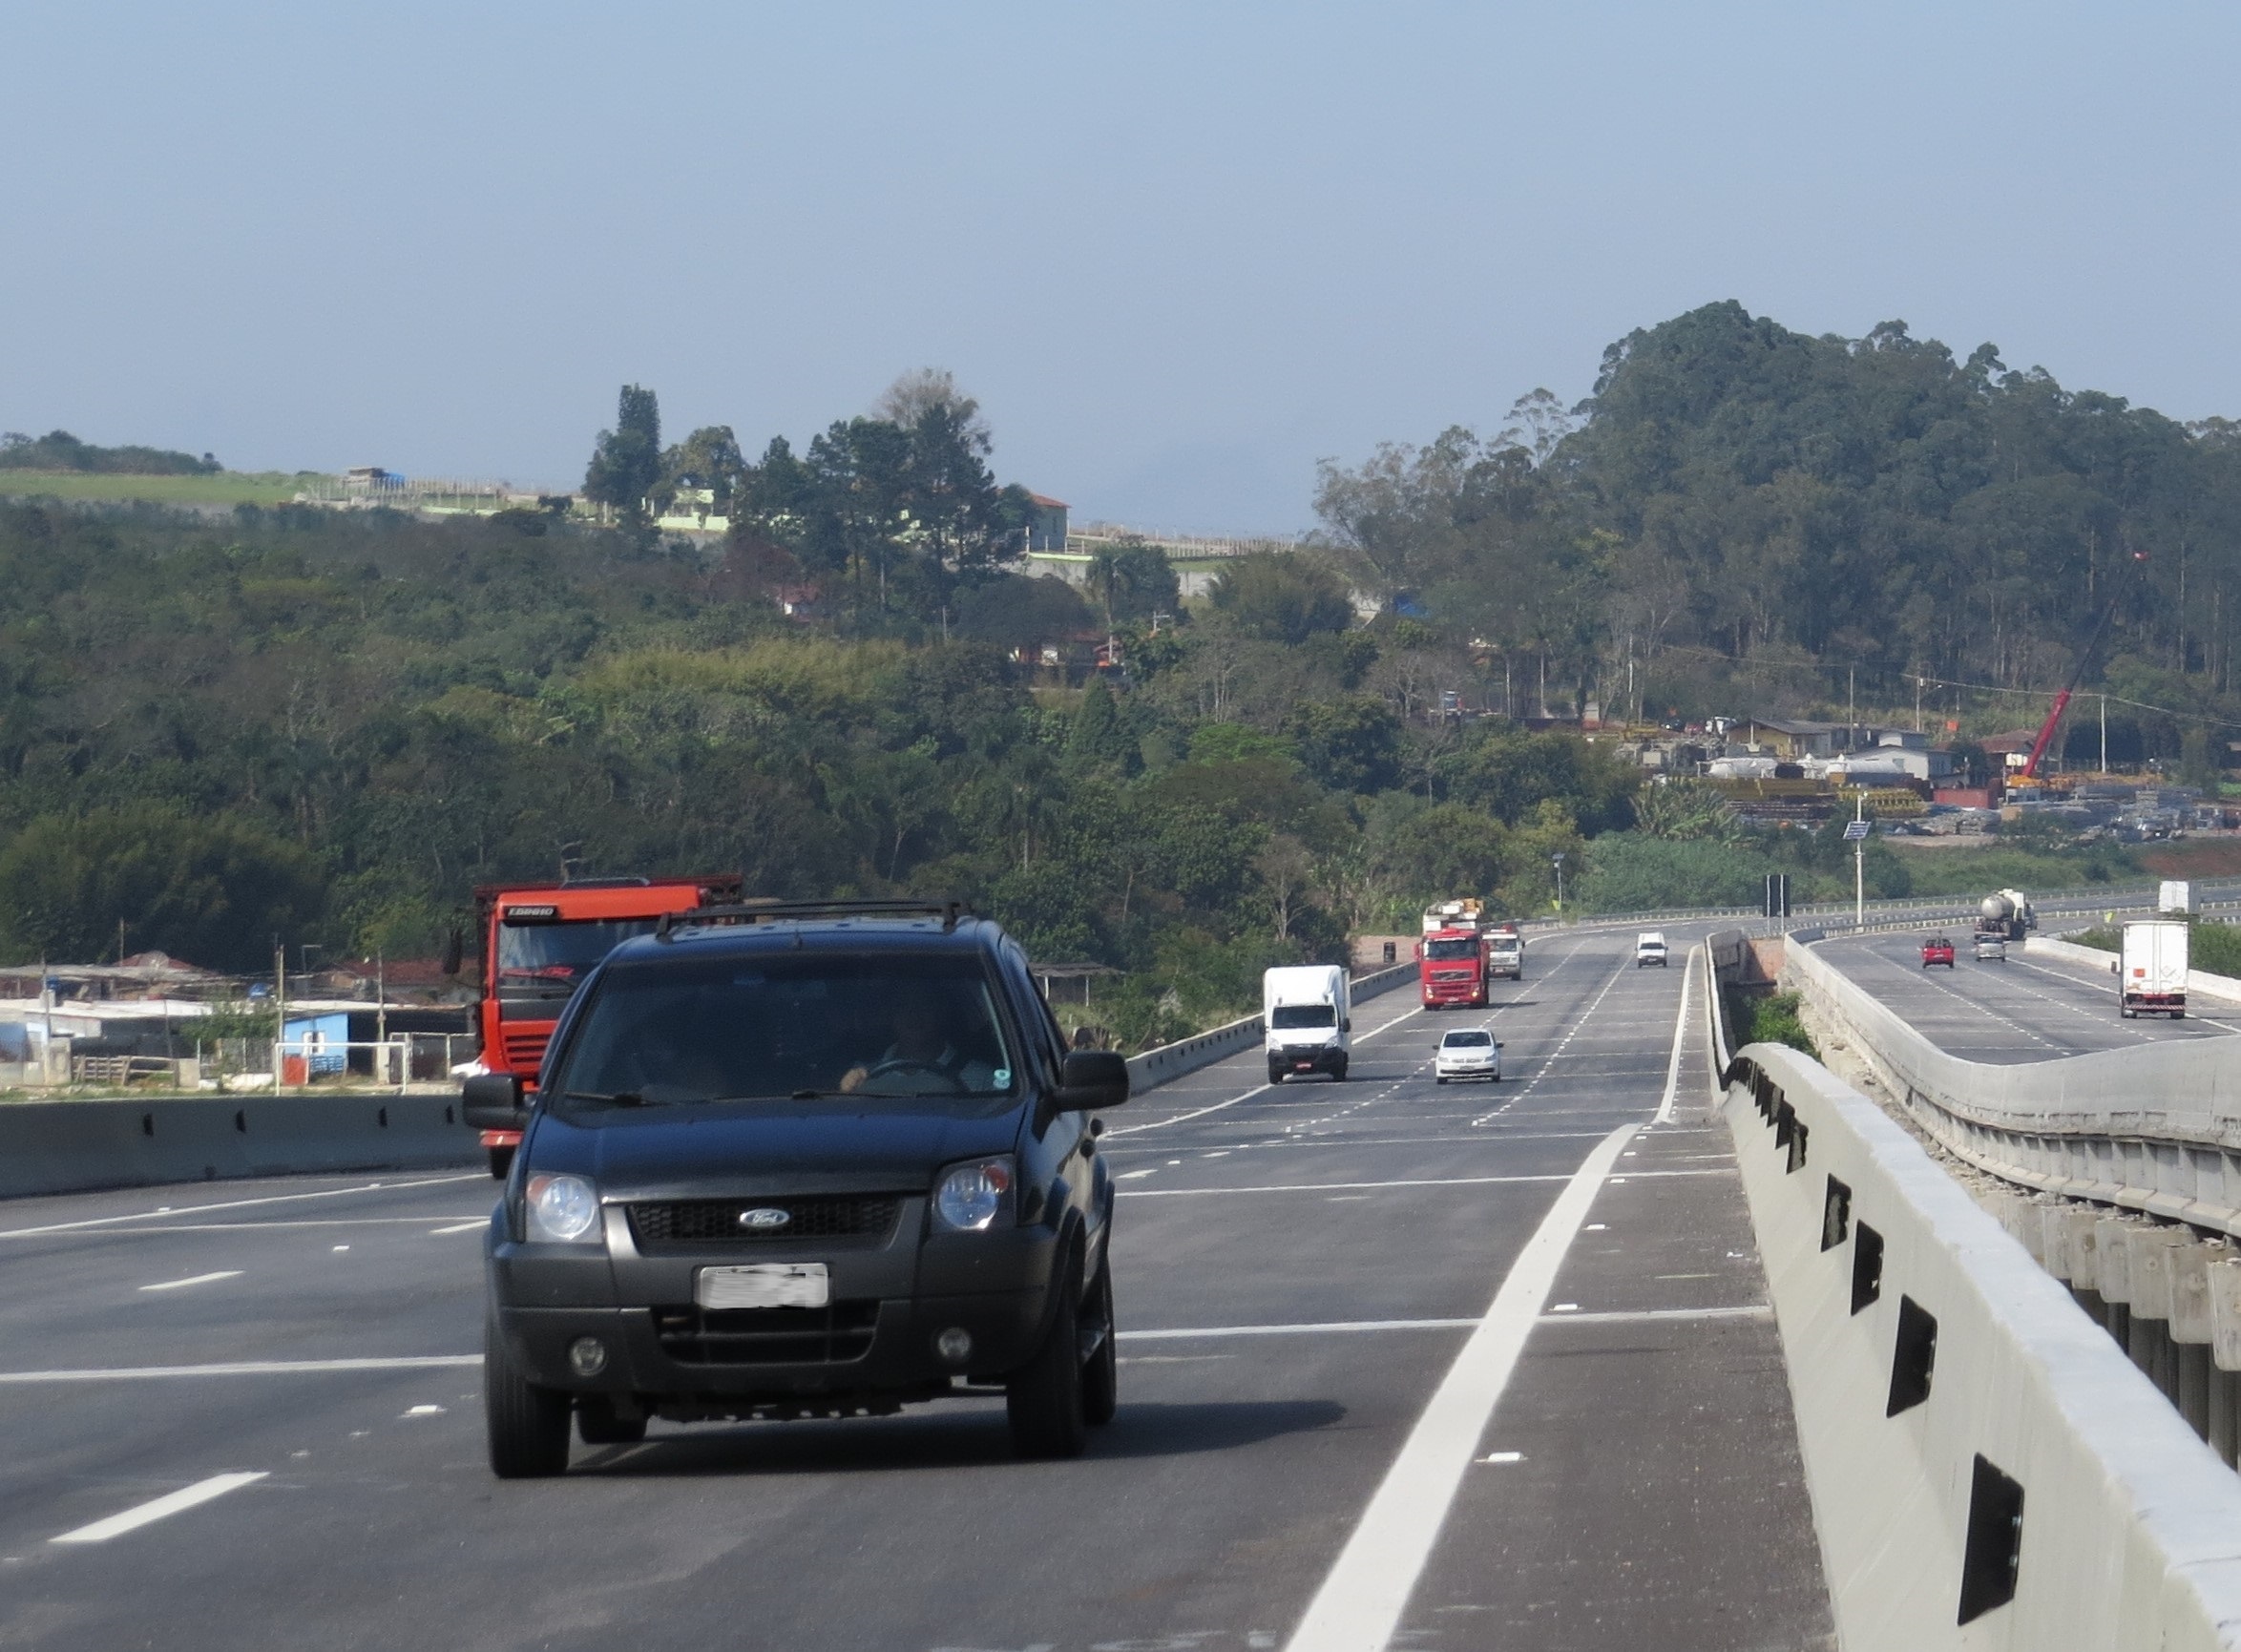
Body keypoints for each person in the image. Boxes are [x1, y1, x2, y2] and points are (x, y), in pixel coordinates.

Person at [838, 984, 999, 1095]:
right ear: (891, 1016)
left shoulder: (981, 1078)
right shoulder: (863, 1077)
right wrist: (846, 1092)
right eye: (902, 1006)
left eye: (924, 1005)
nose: (913, 1015)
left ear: (941, 1012)